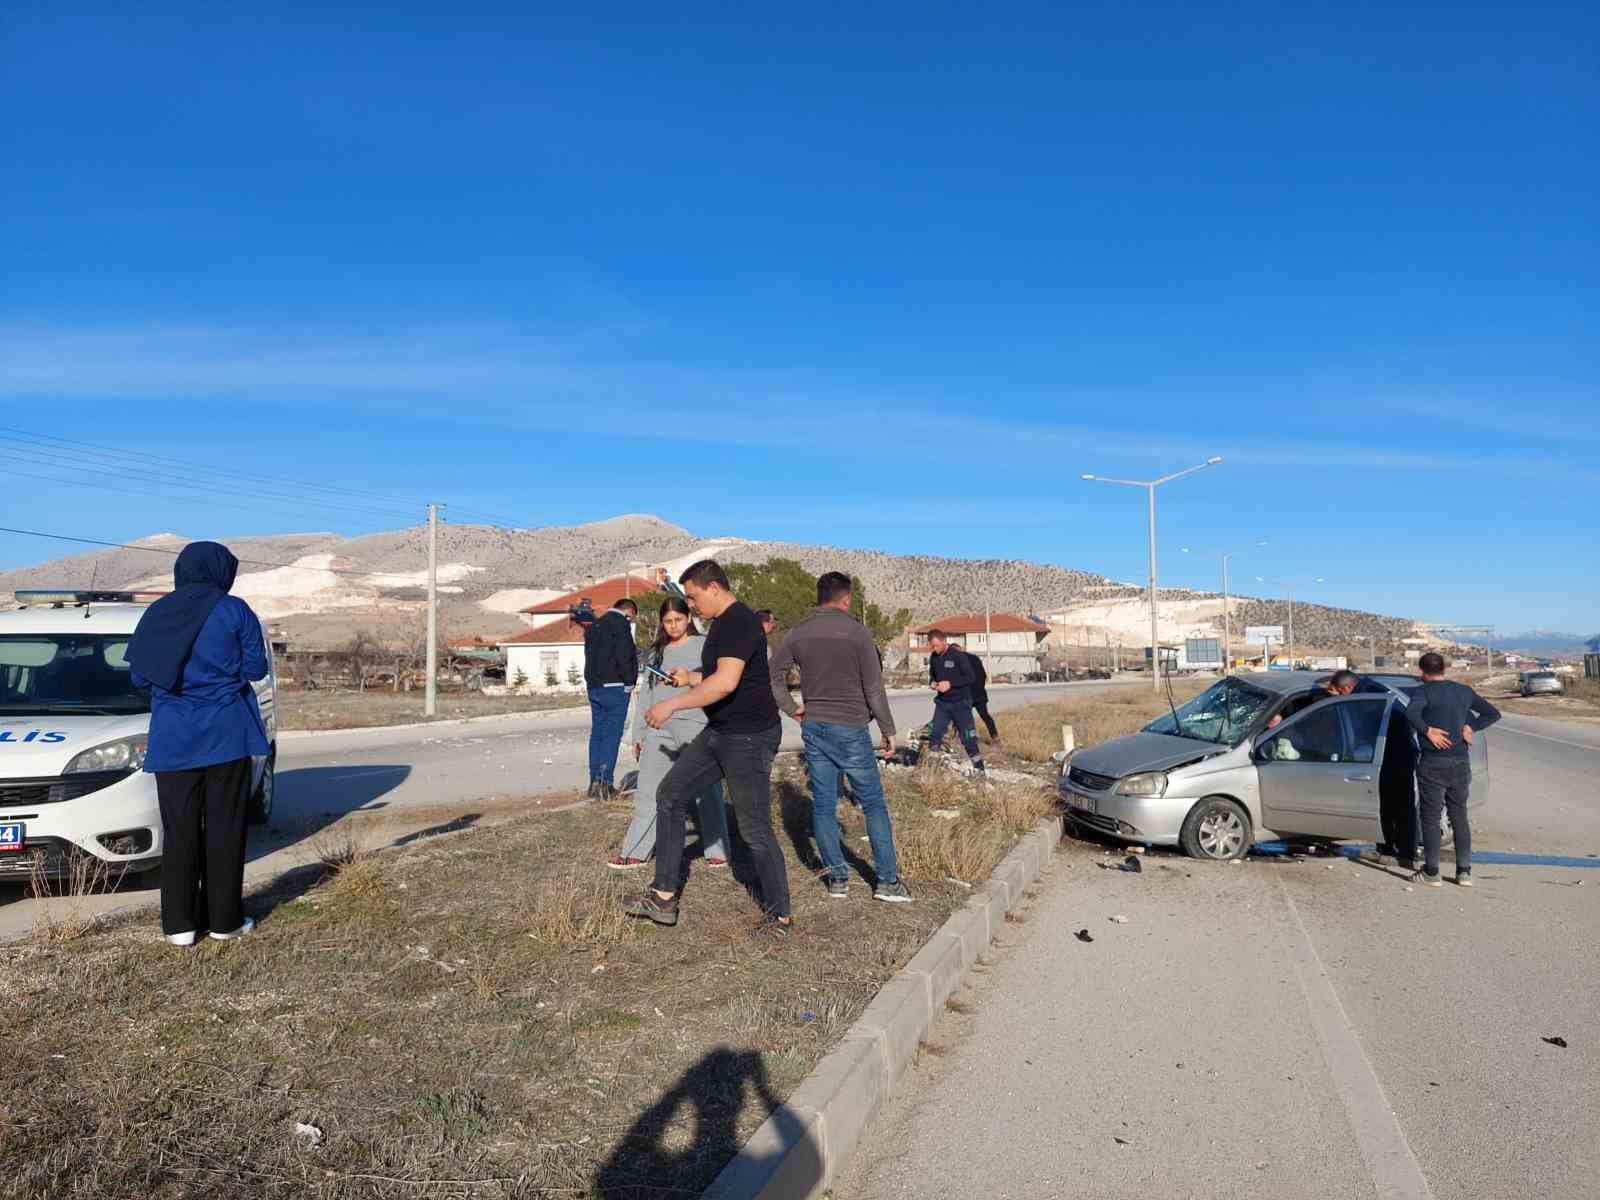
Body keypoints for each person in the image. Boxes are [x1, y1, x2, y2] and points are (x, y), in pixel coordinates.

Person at [623, 560, 792, 935]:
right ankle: (664, 896)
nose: (692, 605)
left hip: (749, 738)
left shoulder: (738, 622)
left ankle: (780, 916)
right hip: (721, 730)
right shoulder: (723, 624)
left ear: (714, 588)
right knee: (669, 795)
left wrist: (671, 704)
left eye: (695, 597)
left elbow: (726, 685)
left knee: (754, 829)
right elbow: (722, 676)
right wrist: (690, 678)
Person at [127, 541, 269, 946]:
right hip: (227, 734)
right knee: (225, 828)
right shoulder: (234, 609)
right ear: (222, 571)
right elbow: (256, 668)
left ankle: (180, 927)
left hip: (173, 738)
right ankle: (225, 922)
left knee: (180, 830)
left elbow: (139, 678)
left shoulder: (157, 612)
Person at [771, 571, 910, 902]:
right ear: (845, 599)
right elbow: (874, 689)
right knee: (873, 804)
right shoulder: (857, 633)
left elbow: (773, 676)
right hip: (850, 728)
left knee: (822, 804)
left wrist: (793, 709)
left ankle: (837, 879)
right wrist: (888, 729)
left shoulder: (798, 633)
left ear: (819, 597)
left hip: (815, 726)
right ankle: (887, 882)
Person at [609, 597, 729, 871]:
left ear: (688, 618)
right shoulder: (656, 653)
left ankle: (718, 850)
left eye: (678, 619)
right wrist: (638, 735)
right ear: (662, 623)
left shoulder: (705, 646)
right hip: (658, 730)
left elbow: (718, 683)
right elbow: (646, 697)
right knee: (649, 790)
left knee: (706, 791)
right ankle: (635, 851)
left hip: (696, 726)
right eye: (668, 621)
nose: (674, 626)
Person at [1403, 652, 1501, 887]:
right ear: (1444, 669)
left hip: (1433, 763)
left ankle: (1432, 872)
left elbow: (1411, 714)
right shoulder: (1463, 691)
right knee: (1459, 816)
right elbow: (1492, 713)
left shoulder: (1422, 691)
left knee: (1430, 817)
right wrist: (1471, 726)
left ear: (1421, 671)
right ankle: (1464, 872)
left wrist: (1427, 731)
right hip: (1460, 763)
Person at [583, 596, 638, 800]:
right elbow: (624, 654)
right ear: (629, 611)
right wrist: (630, 680)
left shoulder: (595, 624)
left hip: (594, 686)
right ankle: (605, 784)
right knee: (611, 735)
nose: (631, 622)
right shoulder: (620, 624)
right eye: (632, 619)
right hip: (615, 687)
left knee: (597, 734)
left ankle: (594, 782)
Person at [925, 630, 986, 774]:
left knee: (968, 739)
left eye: (937, 646)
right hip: (943, 704)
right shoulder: (934, 657)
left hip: (961, 704)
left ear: (944, 641)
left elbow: (970, 677)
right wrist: (933, 683)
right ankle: (933, 769)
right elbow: (932, 675)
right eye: (932, 646)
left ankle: (980, 770)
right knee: (935, 734)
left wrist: (950, 683)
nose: (935, 649)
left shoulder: (958, 657)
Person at [968, 649, 999, 743]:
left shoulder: (959, 660)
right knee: (985, 715)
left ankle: (970, 738)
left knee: (965, 718)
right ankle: (995, 736)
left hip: (967, 695)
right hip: (979, 693)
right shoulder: (975, 658)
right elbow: (983, 676)